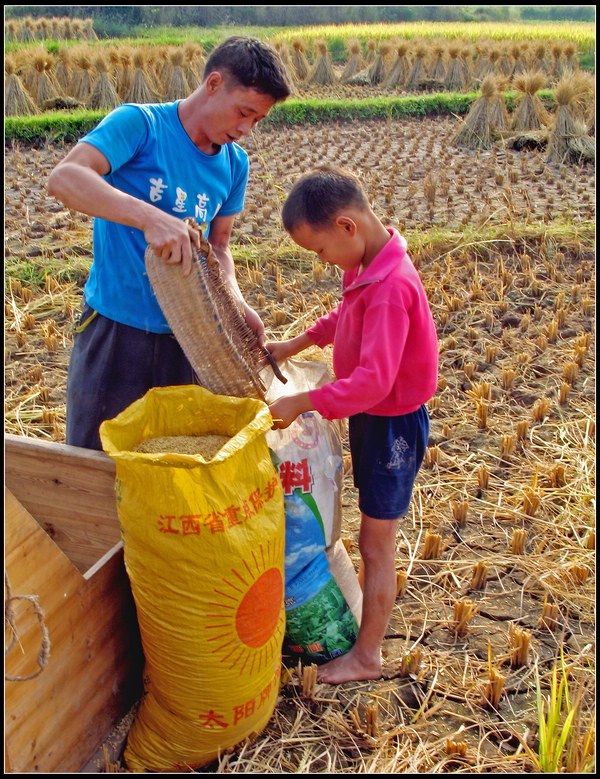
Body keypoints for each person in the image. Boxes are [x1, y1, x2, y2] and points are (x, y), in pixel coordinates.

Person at [47, 36, 292, 450]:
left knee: (175, 466)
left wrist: (235, 304)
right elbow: (65, 179)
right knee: (95, 460)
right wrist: (150, 218)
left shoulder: (234, 164)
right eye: (244, 112)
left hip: (192, 342)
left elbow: (219, 246)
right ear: (213, 84)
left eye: (258, 120)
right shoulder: (141, 126)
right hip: (117, 328)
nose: (246, 129)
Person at [266, 165, 438, 684]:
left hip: (392, 429)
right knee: (370, 538)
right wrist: (295, 344)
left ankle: (367, 657)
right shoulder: (367, 266)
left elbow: (373, 384)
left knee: (375, 543)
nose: (322, 263)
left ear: (346, 227)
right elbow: (344, 317)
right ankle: (368, 635)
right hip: (375, 421)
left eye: (319, 251)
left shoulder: (389, 287)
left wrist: (305, 402)